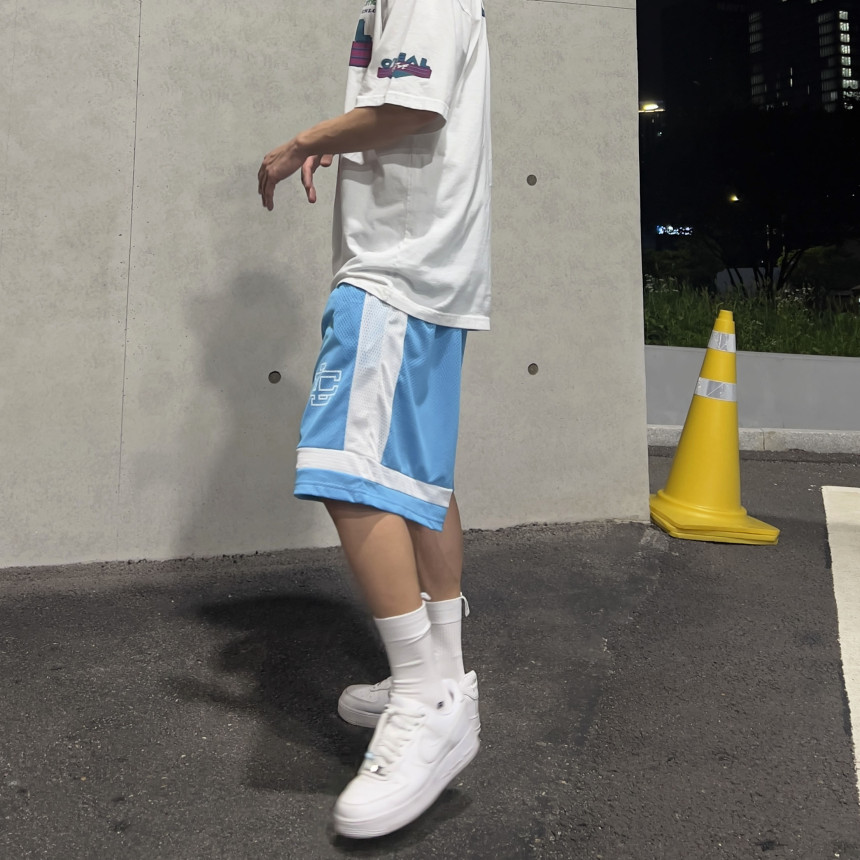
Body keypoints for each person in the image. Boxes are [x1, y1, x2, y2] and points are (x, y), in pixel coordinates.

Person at [258, 0, 491, 840]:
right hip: (430, 269)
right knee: (415, 478)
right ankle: (443, 679)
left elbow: (411, 106)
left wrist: (306, 140)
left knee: (348, 470)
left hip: (395, 272)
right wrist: (348, 137)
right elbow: (406, 107)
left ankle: (424, 701)